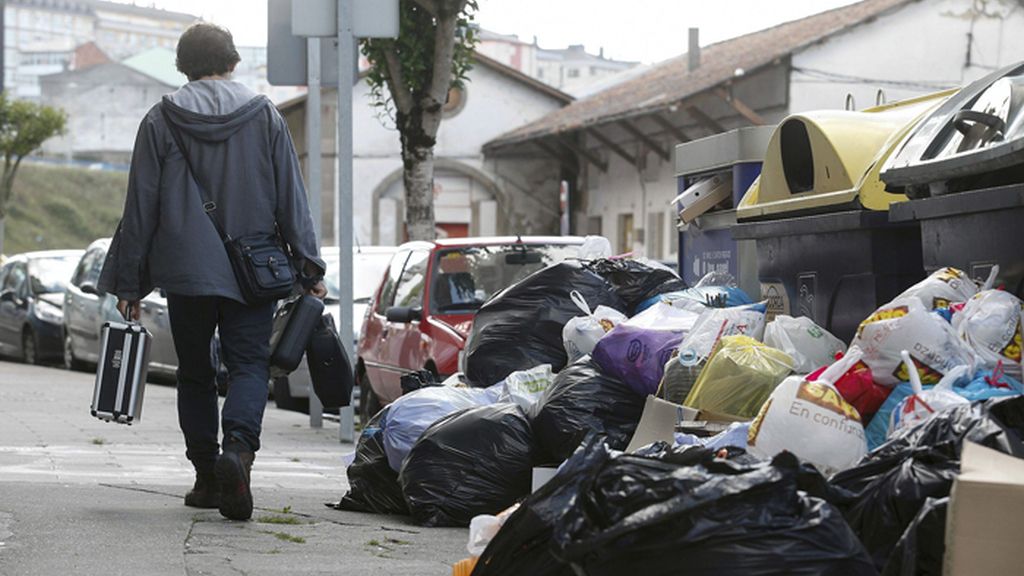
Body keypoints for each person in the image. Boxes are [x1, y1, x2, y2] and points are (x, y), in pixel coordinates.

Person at [98, 22, 326, 521]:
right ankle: (238, 454)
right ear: (233, 61)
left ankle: (206, 477)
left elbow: (140, 207)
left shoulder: (160, 119)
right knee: (249, 367)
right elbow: (292, 194)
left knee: (196, 373)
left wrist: (130, 281)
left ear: (183, 66)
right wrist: (308, 265)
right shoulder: (264, 114)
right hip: (255, 272)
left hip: (186, 273)